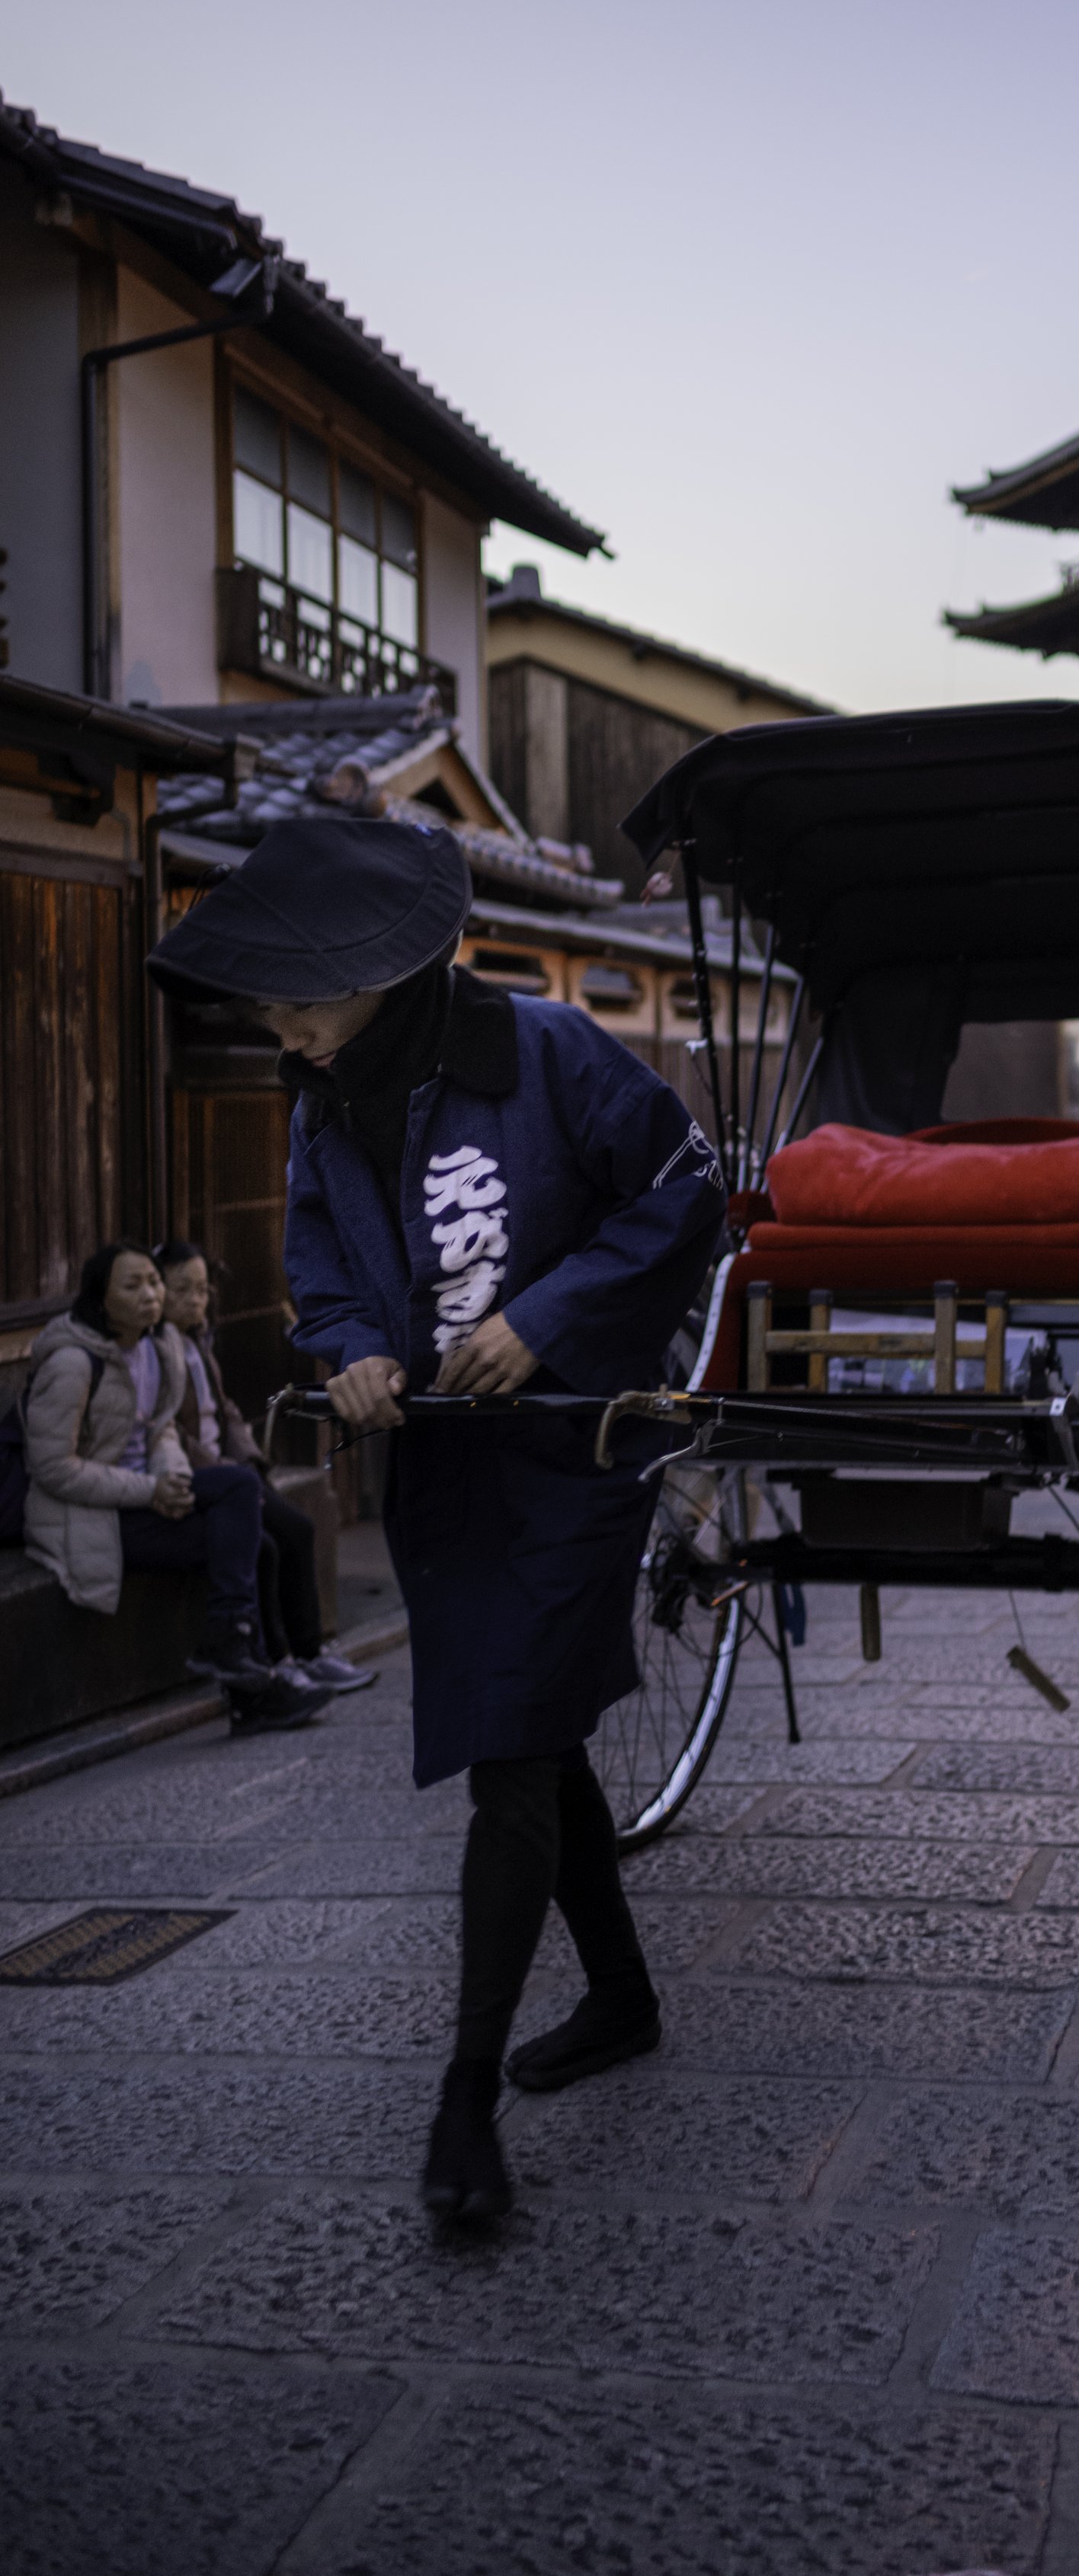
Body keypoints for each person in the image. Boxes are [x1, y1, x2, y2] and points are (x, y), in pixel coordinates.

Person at [148, 816, 725, 2228]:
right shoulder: (324, 1104)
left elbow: (683, 1193)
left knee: (510, 1757)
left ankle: (464, 2098)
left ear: (371, 974)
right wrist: (351, 1350)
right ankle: (623, 1997)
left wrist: (546, 1316)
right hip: (447, 1473)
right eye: (268, 1012)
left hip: (578, 1449)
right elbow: (322, 1266)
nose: (281, 1033)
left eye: (294, 1005)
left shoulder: (546, 1049)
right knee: (532, 1727)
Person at [23, 1240, 333, 1731]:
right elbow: (53, 1469)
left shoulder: (157, 1346)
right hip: (88, 1513)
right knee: (242, 1508)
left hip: (147, 1497)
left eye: (153, 1283)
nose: (150, 1295)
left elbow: (161, 1428)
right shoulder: (72, 1363)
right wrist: (152, 1491)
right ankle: (248, 1678)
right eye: (133, 1286)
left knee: (252, 1531)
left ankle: (242, 1670)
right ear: (100, 1297)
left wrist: (173, 1479)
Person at [153, 1239, 374, 1696]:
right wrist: (225, 1471)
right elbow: (166, 1430)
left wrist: (250, 1460)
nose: (195, 1300)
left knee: (298, 1529)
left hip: (232, 1471)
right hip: (202, 1477)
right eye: (182, 1290)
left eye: (202, 1289)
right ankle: (282, 1659)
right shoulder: (154, 1350)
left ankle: (310, 1653)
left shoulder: (198, 1341)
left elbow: (226, 1412)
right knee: (270, 1542)